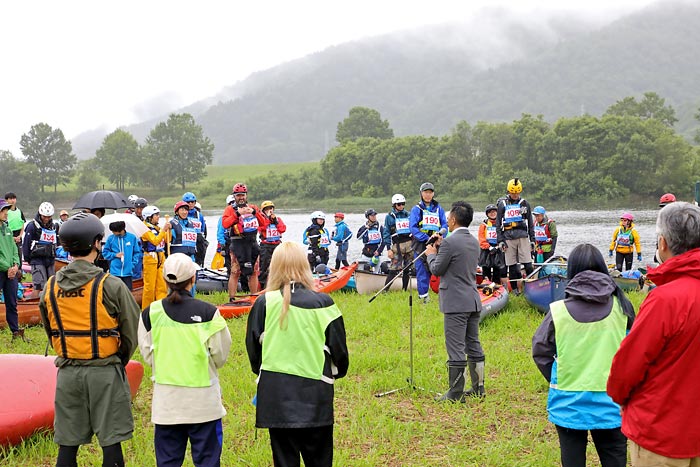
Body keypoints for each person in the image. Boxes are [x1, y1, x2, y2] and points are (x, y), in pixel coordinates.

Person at [39, 212, 140, 467]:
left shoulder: (49, 287)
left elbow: (51, 331)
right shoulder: (111, 285)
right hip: (104, 370)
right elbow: (132, 329)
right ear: (97, 243)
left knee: (68, 445)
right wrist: (118, 359)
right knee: (111, 443)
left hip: (68, 372)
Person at [607, 201, 700, 466]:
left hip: (662, 432)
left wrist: (618, 395)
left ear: (662, 243)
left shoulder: (666, 299)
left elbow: (628, 366)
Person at [245, 242, 349, 467]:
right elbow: (340, 353)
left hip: (275, 396)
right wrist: (335, 372)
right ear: (305, 266)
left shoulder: (263, 303)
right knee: (320, 460)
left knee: (284, 460)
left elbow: (254, 353)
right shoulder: (323, 303)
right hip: (315, 396)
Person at [532, 243, 635, 467]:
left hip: (568, 403)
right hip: (612, 404)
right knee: (615, 459)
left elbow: (540, 350)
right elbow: (634, 353)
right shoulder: (622, 308)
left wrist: (557, 378)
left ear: (571, 272)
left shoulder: (557, 310)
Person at [138, 253, 231, 467]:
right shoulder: (209, 312)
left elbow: (148, 354)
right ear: (193, 279)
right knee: (208, 461)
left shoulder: (150, 313)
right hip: (204, 404)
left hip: (167, 405)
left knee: (168, 462)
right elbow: (220, 354)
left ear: (165, 281)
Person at [426, 201, 484, 402]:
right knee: (473, 343)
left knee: (455, 347)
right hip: (473, 300)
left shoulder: (450, 242)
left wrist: (431, 254)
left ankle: (456, 393)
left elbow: (437, 269)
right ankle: (478, 387)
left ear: (452, 219)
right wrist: (442, 247)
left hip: (455, 302)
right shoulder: (473, 241)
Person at [222, 183, 266, 296]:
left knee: (254, 272)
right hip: (238, 243)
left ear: (246, 195)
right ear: (234, 196)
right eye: (238, 195)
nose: (241, 198)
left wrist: (254, 213)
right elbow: (225, 224)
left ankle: (254, 297)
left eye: (243, 195)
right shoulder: (229, 209)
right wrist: (237, 214)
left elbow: (264, 223)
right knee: (235, 272)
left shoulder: (253, 208)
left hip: (252, 242)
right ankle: (232, 298)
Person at [409, 182, 448, 303]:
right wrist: (426, 238)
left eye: (430, 192)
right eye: (425, 192)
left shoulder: (438, 209)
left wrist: (440, 236)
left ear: (433, 194)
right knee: (422, 271)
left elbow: (445, 225)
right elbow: (413, 227)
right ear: (421, 193)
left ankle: (444, 295)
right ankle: (424, 298)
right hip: (421, 244)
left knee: (440, 268)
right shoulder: (417, 209)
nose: (428, 195)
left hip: (436, 243)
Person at [495, 178, 535, 294]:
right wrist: (500, 240)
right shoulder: (503, 204)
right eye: (513, 193)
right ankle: (515, 290)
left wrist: (532, 239)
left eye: (517, 192)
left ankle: (530, 287)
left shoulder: (524, 203)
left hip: (522, 236)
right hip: (508, 238)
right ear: (509, 191)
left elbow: (530, 223)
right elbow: (498, 223)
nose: (515, 195)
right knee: (512, 266)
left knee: (528, 264)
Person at [22, 202, 59, 300]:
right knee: (38, 286)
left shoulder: (54, 226)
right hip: (37, 260)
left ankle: (50, 305)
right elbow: (26, 243)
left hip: (50, 260)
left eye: (49, 217)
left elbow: (56, 242)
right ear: (40, 214)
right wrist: (27, 258)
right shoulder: (32, 226)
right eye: (44, 217)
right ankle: (33, 307)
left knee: (51, 286)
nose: (46, 219)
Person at [141, 205, 171, 311]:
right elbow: (155, 240)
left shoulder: (157, 228)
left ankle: (161, 308)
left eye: (158, 215)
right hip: (150, 258)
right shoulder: (144, 228)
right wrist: (164, 230)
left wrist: (168, 230)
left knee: (162, 285)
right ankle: (146, 310)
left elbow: (167, 240)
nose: (158, 217)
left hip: (160, 256)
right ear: (149, 217)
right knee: (150, 287)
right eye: (156, 215)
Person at [0, 199, 22, 341]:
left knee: (12, 303)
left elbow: (15, 250)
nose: (6, 213)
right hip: (2, 270)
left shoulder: (7, 230)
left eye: (6, 210)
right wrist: (7, 267)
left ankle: (16, 332)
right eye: (3, 210)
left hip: (10, 272)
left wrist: (16, 265)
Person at [383, 194, 414, 290]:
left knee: (407, 269)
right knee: (393, 269)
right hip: (397, 247)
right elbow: (386, 233)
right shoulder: (389, 217)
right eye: (399, 204)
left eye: (403, 204)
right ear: (394, 205)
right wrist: (388, 249)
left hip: (410, 246)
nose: (401, 206)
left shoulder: (408, 215)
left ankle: (404, 289)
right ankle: (385, 290)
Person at [102, 221, 142, 291]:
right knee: (115, 292)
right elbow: (105, 253)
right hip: (115, 272)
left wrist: (132, 264)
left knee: (128, 293)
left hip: (128, 272)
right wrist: (115, 255)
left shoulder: (132, 237)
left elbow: (136, 252)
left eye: (114, 231)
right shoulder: (111, 238)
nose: (113, 233)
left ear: (120, 230)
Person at [258, 200, 286, 289]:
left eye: (270, 208)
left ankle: (279, 284)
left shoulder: (277, 219)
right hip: (266, 246)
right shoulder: (261, 220)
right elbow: (261, 228)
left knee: (279, 265)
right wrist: (268, 221)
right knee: (264, 266)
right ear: (263, 211)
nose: (269, 210)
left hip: (277, 245)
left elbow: (282, 229)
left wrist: (275, 222)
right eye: (267, 209)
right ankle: (262, 286)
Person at [477, 204, 507, 287]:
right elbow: (481, 239)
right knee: (486, 270)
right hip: (486, 250)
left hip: (498, 249)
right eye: (490, 212)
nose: (492, 213)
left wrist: (497, 247)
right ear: (487, 214)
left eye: (494, 212)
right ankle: (486, 285)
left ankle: (496, 285)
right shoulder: (483, 225)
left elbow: (504, 236)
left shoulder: (501, 224)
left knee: (497, 270)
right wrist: (489, 247)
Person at [183, 193, 208, 268]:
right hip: (186, 241)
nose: (190, 204)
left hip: (198, 241)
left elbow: (203, 228)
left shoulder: (199, 215)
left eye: (192, 202)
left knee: (198, 261)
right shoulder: (182, 213)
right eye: (188, 202)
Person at [357, 208, 386, 273]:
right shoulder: (364, 227)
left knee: (378, 272)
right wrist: (366, 228)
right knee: (364, 270)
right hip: (366, 254)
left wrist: (379, 251)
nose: (374, 217)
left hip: (377, 254)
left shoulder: (379, 227)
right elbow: (358, 237)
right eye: (372, 216)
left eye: (375, 215)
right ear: (368, 217)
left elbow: (384, 241)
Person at [4, 192, 25, 265]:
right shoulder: (5, 212)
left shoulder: (19, 211)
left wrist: (20, 236)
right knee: (10, 257)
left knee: (19, 255)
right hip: (8, 237)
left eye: (14, 198)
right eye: (10, 199)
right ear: (6, 200)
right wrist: (11, 238)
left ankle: (20, 273)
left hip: (18, 238)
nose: (13, 200)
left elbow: (22, 224)